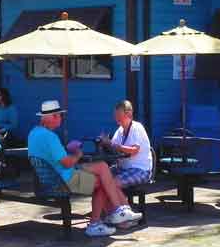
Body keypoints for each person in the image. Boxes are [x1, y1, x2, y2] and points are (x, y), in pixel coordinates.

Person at [27, 100, 141, 238]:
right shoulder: (50, 136)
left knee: (102, 169)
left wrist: (68, 150)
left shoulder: (33, 133)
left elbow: (53, 156)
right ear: (52, 117)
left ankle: (115, 213)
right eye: (59, 116)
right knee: (103, 179)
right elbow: (67, 163)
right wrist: (77, 153)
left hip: (52, 178)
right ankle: (105, 218)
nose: (61, 119)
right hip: (65, 180)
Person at [101, 100, 153, 189]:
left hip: (140, 170)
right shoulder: (120, 130)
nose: (116, 118)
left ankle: (119, 203)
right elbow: (113, 148)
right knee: (100, 178)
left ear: (129, 114)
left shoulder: (137, 127)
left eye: (119, 115)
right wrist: (105, 142)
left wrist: (114, 145)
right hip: (123, 169)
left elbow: (134, 150)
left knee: (113, 183)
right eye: (115, 115)